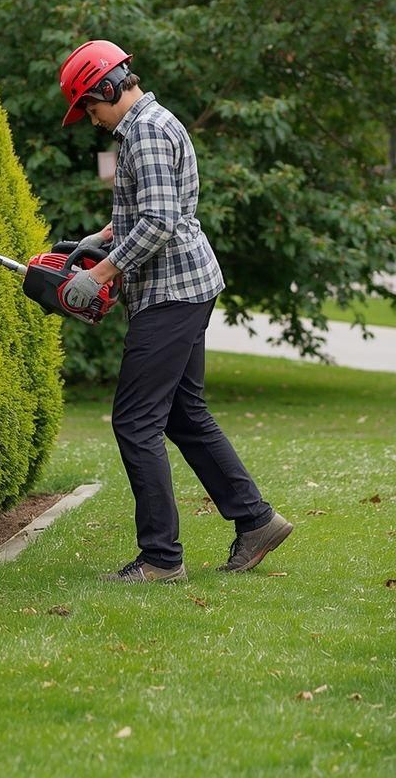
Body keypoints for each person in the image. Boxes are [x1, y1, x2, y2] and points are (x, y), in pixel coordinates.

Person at [59, 40, 293, 582]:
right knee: (184, 414)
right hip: (185, 285)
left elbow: (161, 223)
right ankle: (256, 521)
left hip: (173, 291)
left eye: (90, 106)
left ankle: (161, 558)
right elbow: (155, 212)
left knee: (135, 421)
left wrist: (98, 276)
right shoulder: (152, 125)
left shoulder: (145, 131)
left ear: (108, 88)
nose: (91, 119)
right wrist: (102, 238)